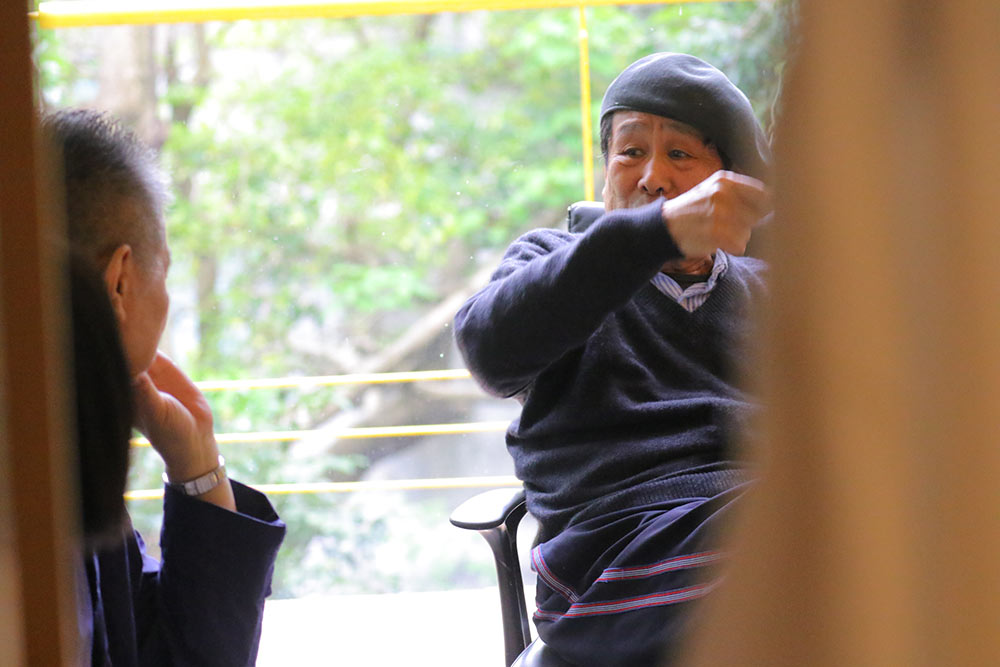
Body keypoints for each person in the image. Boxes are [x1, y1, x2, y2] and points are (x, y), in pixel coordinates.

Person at [453, 53, 772, 666]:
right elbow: (488, 351)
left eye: (680, 154)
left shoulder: (773, 291)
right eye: (630, 152)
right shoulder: (557, 264)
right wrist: (654, 235)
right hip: (611, 556)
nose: (653, 177)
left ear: (729, 182)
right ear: (606, 171)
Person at [45, 109, 287, 666]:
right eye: (166, 272)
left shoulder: (64, 448)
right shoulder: (41, 491)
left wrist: (196, 465)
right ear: (120, 283)